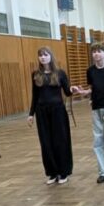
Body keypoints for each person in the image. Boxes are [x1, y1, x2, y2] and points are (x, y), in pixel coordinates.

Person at [72, 44, 104, 184]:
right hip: (96, 108)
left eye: (99, 51)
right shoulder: (90, 71)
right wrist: (84, 92)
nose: (96, 54)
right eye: (94, 52)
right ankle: (103, 172)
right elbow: (92, 89)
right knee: (98, 141)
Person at [27, 47, 73, 184]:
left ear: (50, 56)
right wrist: (31, 114)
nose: (43, 57)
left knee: (61, 141)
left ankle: (63, 172)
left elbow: (67, 92)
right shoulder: (36, 74)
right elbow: (35, 96)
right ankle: (52, 173)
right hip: (42, 112)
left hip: (58, 111)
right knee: (46, 142)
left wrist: (73, 89)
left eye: (45, 55)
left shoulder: (60, 73)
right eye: (40, 55)